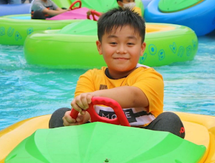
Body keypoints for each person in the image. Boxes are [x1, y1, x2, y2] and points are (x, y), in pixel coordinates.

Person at [49, 8, 186, 138]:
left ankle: (157, 160)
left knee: (170, 120)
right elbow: (83, 112)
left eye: (130, 44)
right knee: (59, 115)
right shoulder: (89, 78)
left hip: (142, 141)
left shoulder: (150, 77)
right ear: (100, 46)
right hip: (98, 140)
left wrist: (93, 96)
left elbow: (133, 96)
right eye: (113, 43)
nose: (121, 50)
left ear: (142, 48)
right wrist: (76, 118)